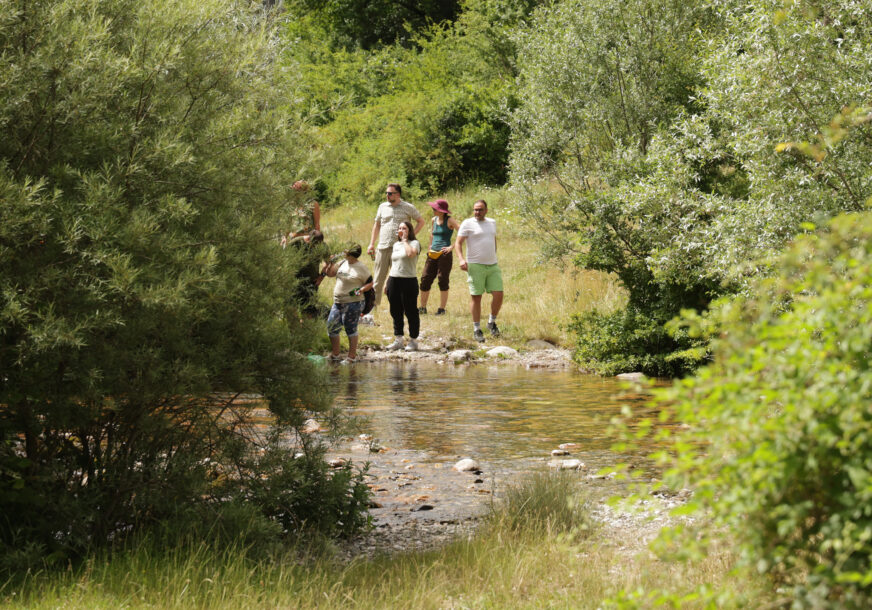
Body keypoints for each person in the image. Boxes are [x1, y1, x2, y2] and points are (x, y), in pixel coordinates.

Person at [366, 184, 424, 315]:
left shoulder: (408, 207)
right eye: (386, 193)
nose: (387, 195)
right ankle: (372, 308)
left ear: (398, 194)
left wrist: (410, 236)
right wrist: (371, 244)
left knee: (399, 279)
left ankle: (401, 307)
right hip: (383, 247)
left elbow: (421, 221)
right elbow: (377, 225)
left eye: (390, 193)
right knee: (378, 280)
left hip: (400, 249)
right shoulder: (382, 207)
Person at [455, 199, 503, 342]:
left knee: (499, 294)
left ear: (486, 210)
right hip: (475, 265)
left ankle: (491, 322)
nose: (477, 212)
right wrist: (461, 259)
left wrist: (494, 253)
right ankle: (477, 329)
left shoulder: (492, 222)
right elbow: (458, 243)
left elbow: (493, 239)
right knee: (476, 297)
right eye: (475, 209)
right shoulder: (467, 223)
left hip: (492, 265)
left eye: (480, 209)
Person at [322, 244, 372, 363]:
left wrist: (362, 290)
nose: (343, 252)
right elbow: (329, 274)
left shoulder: (361, 268)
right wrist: (329, 262)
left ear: (352, 253)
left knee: (350, 328)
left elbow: (370, 283)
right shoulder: (342, 262)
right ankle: (335, 354)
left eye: (346, 251)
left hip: (353, 303)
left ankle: (351, 356)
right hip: (338, 302)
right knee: (331, 327)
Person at [418, 199, 460, 315]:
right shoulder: (434, 220)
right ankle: (422, 307)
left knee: (442, 280)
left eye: (435, 209)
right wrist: (430, 246)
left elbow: (462, 233)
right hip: (432, 253)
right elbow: (432, 234)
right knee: (425, 278)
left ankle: (441, 309)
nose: (433, 210)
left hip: (444, 255)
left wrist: (451, 247)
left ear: (442, 211)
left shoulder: (450, 220)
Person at [384, 221, 421, 352]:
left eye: (404, 228)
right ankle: (398, 339)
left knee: (410, 311)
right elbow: (394, 264)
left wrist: (405, 240)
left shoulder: (414, 243)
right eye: (399, 228)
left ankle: (413, 340)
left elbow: (410, 254)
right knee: (395, 310)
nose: (401, 230)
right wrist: (387, 282)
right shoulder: (395, 245)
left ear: (409, 230)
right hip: (394, 279)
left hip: (409, 281)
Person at [288, 229, 326, 317]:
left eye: (318, 245)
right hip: (296, 281)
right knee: (293, 307)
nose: (315, 247)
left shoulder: (322, 245)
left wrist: (322, 276)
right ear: (308, 239)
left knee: (309, 309)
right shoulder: (296, 242)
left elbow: (328, 261)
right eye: (313, 244)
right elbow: (285, 256)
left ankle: (309, 326)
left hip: (312, 282)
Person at [281, 180, 321, 247]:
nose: (293, 192)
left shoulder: (313, 204)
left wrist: (317, 241)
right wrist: (284, 237)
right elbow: (288, 223)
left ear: (302, 191)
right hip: (293, 240)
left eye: (296, 190)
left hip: (307, 240)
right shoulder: (291, 205)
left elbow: (317, 225)